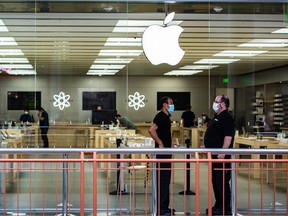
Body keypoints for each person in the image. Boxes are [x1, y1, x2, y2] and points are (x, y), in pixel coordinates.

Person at [203, 95, 235, 215]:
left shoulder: (227, 117)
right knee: (216, 181)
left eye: (216, 101)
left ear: (222, 104)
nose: (214, 103)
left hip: (221, 157)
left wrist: (223, 152)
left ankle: (225, 207)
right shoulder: (218, 116)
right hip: (214, 156)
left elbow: (228, 137)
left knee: (221, 182)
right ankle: (218, 204)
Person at [148, 96, 176, 216]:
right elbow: (151, 130)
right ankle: (161, 208)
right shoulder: (160, 117)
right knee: (163, 179)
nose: (172, 105)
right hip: (162, 154)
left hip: (166, 152)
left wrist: (169, 143)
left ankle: (164, 206)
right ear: (165, 105)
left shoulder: (166, 117)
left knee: (165, 179)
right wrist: (160, 143)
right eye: (171, 103)